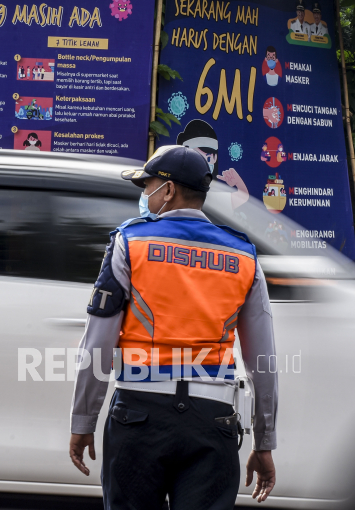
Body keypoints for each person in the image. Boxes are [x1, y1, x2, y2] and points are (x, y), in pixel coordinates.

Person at [69, 145, 277, 509]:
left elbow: (98, 343)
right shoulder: (244, 255)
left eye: (147, 186)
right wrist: (263, 441)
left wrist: (83, 420)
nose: (144, 196)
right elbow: (264, 359)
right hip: (214, 422)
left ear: (168, 190)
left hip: (139, 417)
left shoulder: (129, 242)